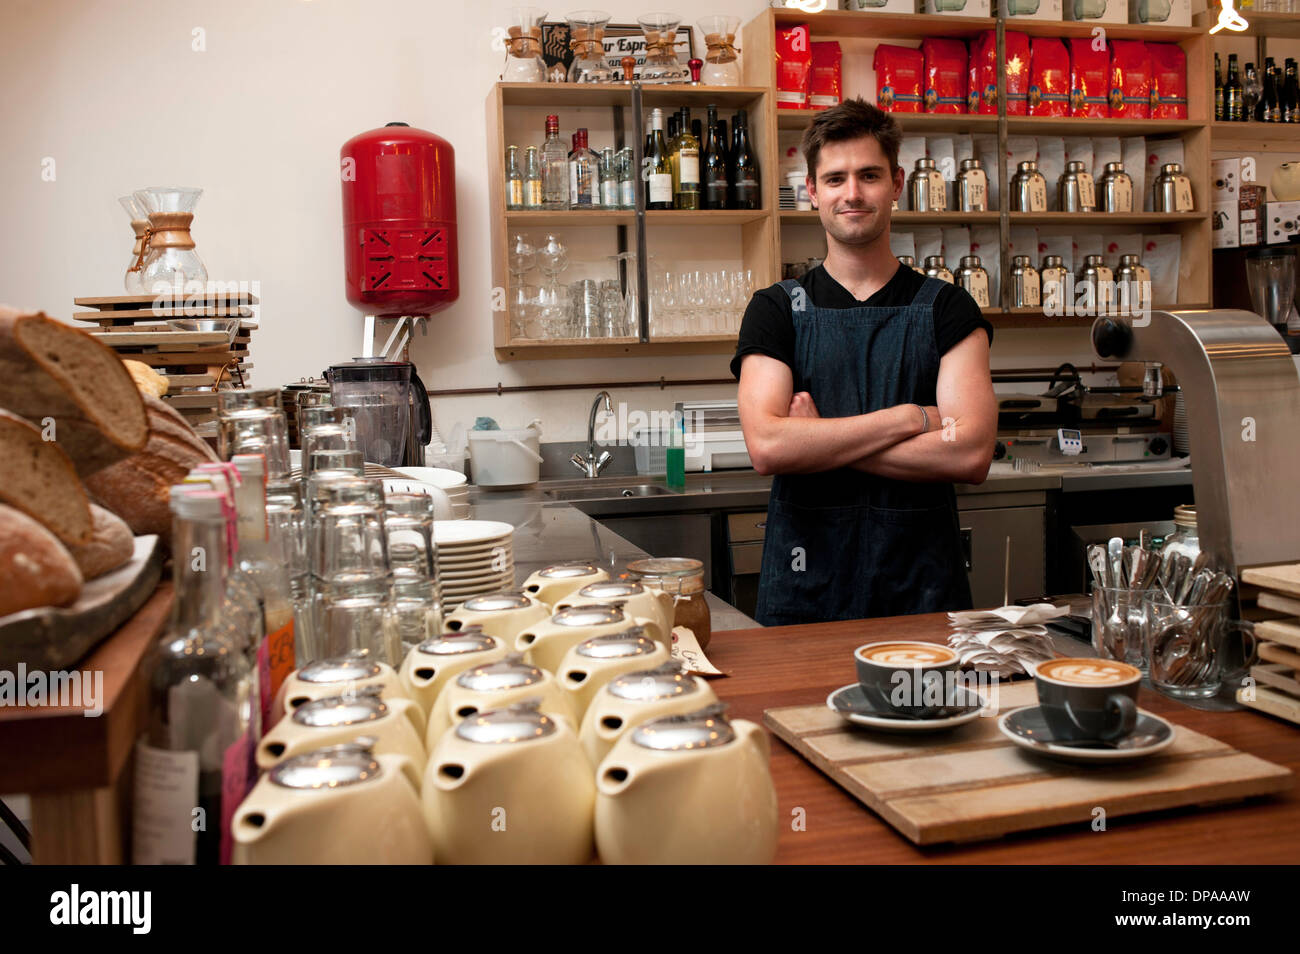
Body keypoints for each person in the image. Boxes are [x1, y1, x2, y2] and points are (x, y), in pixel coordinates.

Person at [731, 97, 996, 626]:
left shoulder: (948, 307)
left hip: (922, 590)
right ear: (812, 191)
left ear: (897, 183)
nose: (852, 193)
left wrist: (818, 441)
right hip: (805, 592)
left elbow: (969, 454)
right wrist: (909, 419)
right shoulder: (776, 309)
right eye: (834, 179)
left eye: (869, 175)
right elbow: (767, 446)